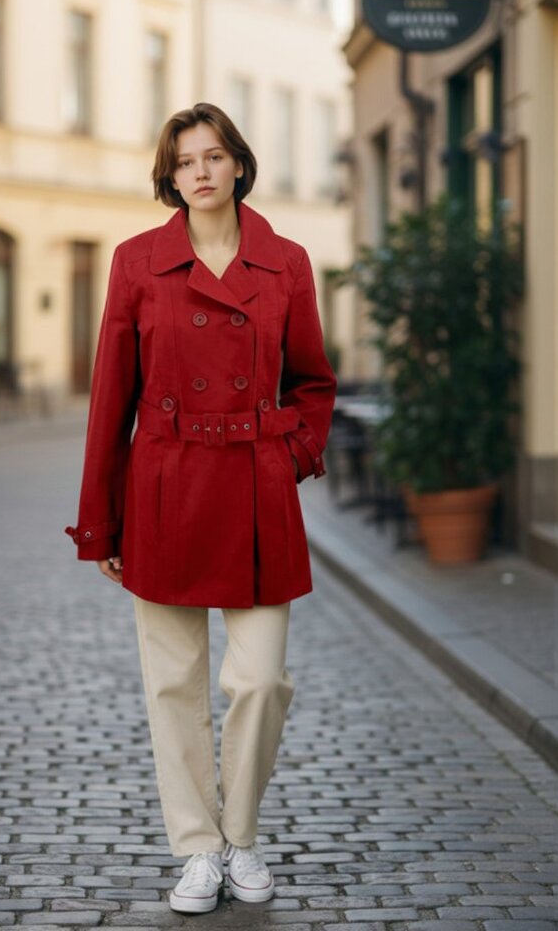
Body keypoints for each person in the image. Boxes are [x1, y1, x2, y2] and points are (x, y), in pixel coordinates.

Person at [65, 102, 337, 914]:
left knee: (259, 680)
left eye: (215, 156)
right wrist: (101, 520)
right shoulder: (137, 262)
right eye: (187, 161)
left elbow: (314, 381)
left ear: (240, 165)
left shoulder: (285, 262)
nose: (203, 172)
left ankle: (240, 838)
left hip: (255, 489)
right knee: (172, 687)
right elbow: (110, 398)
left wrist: (290, 454)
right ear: (170, 176)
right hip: (166, 487)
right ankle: (197, 850)